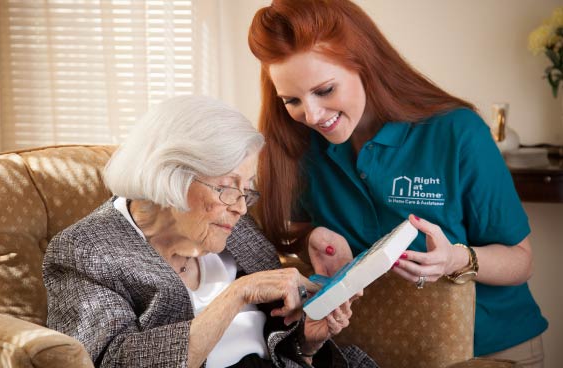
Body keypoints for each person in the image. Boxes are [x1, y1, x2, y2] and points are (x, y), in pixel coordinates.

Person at [247, 0, 548, 366]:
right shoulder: (296, 145)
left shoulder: (457, 132)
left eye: (325, 90)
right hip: (364, 352)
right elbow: (290, 234)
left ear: (364, 62)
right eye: (292, 99)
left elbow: (521, 261)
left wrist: (455, 258)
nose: (311, 115)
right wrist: (314, 240)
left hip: (488, 349)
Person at [43, 95, 378, 368]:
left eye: (246, 189)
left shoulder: (235, 228)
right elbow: (112, 362)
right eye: (227, 187)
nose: (241, 207)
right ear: (172, 176)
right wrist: (237, 295)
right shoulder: (86, 250)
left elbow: (278, 335)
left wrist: (308, 338)